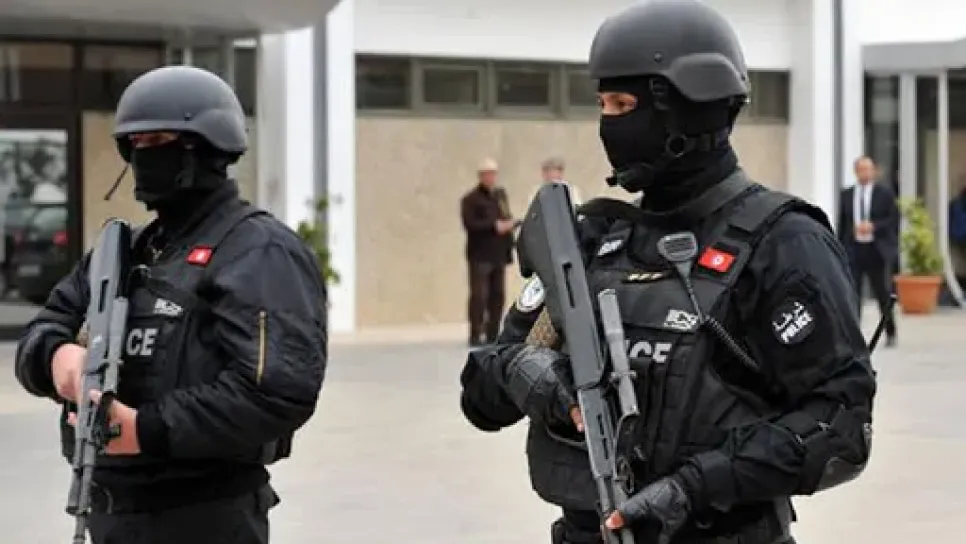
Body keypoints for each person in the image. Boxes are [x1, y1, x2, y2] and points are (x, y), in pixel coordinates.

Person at [459, 2, 877, 543]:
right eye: (603, 105)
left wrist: (695, 487)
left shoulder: (782, 242)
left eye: (623, 104)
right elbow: (481, 395)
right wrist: (526, 373)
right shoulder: (591, 241)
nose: (608, 125)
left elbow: (842, 427)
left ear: (687, 109)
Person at [14, 66, 327, 544]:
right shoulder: (121, 253)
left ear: (205, 148)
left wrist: (144, 429)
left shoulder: (258, 251)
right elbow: (43, 328)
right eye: (135, 143)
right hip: (111, 514)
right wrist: (60, 360)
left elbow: (277, 390)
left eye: (158, 140)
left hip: (205, 517)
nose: (144, 155)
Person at [838, 155, 898, 346]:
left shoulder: (884, 194)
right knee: (853, 294)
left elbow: (892, 220)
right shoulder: (847, 195)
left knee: (882, 293)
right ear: (856, 172)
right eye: (861, 169)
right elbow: (842, 224)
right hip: (854, 250)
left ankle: (890, 331)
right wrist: (840, 249)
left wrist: (873, 226)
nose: (865, 173)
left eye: (868, 169)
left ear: (874, 171)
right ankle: (854, 336)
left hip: (876, 250)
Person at [460, 158, 516, 346]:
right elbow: (470, 224)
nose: (491, 177)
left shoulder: (500, 196)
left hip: (498, 253)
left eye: (493, 174)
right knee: (479, 296)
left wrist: (509, 227)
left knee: (497, 295)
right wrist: (494, 226)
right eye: (487, 174)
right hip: (480, 255)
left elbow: (506, 215)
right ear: (481, 176)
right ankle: (476, 334)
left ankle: (493, 334)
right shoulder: (471, 199)